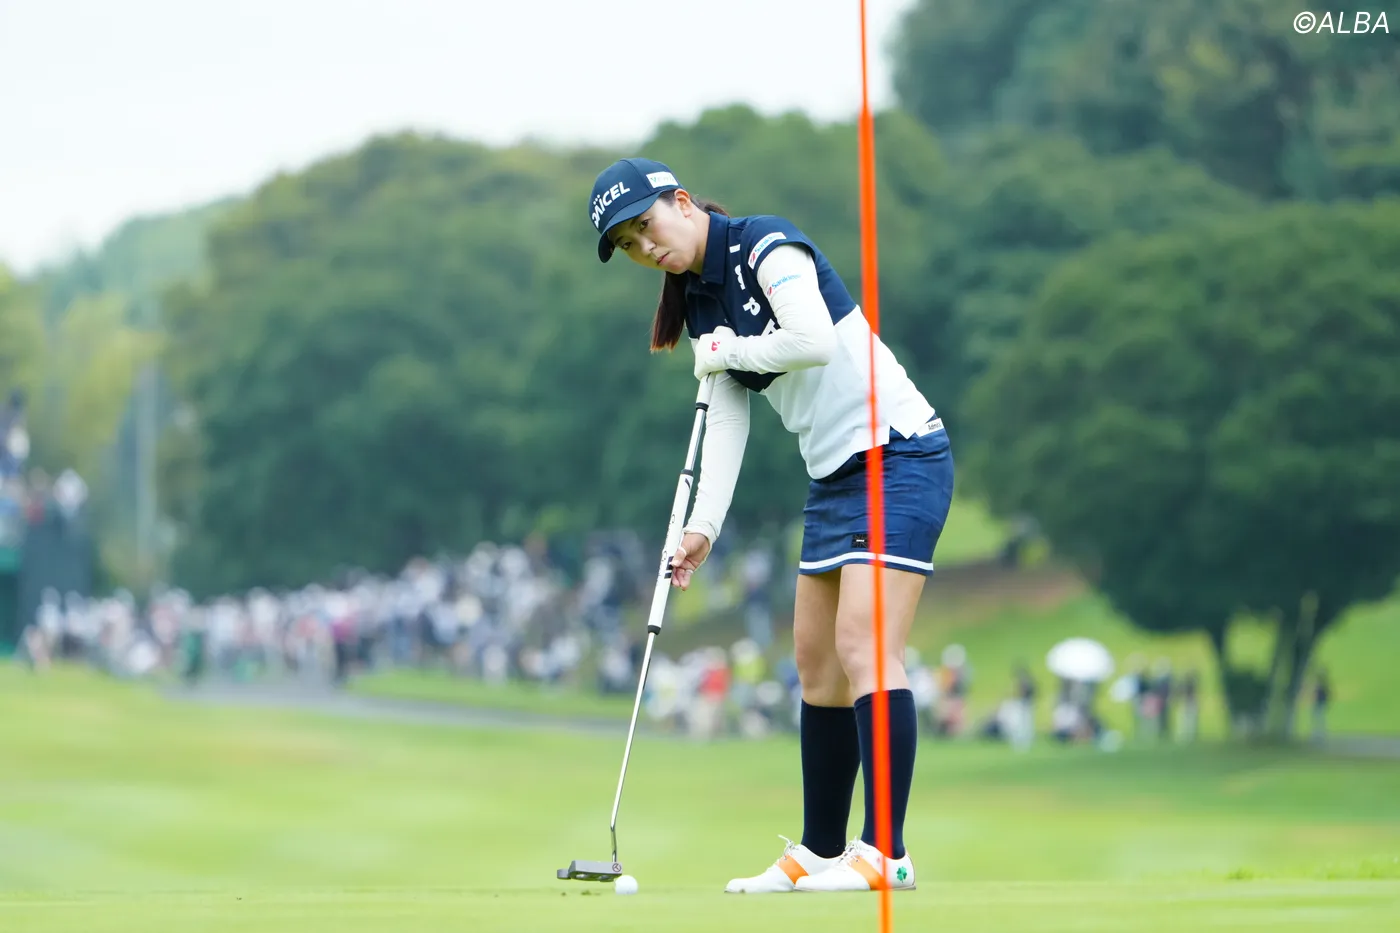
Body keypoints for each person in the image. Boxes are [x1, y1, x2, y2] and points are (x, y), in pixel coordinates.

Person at [588, 158, 954, 893]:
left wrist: (726, 352)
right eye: (628, 245)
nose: (646, 248)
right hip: (834, 475)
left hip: (898, 454)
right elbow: (727, 419)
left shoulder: (767, 247)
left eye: (646, 227)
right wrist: (703, 528)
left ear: (681, 203)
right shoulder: (700, 304)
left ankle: (887, 853)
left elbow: (812, 339)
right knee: (816, 664)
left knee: (864, 647)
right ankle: (821, 850)